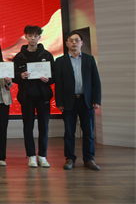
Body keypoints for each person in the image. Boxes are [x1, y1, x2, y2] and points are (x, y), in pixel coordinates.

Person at [54, 31, 102, 171]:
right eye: (71, 40)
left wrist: (96, 99)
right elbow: (59, 84)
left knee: (88, 132)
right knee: (69, 132)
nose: (74, 43)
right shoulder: (60, 61)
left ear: (81, 43)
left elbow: (96, 81)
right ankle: (70, 158)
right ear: (66, 43)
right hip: (69, 102)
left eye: (77, 40)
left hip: (86, 101)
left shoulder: (89, 59)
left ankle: (89, 159)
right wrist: (59, 102)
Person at [13, 25, 55, 168]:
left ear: (39, 37)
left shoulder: (47, 55)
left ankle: (42, 156)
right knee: (28, 127)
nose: (32, 38)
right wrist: (21, 76)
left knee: (44, 127)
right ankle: (31, 155)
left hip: (43, 96)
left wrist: (48, 79)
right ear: (25, 37)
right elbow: (13, 76)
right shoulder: (19, 57)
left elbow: (54, 75)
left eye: (35, 36)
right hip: (27, 97)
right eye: (30, 35)